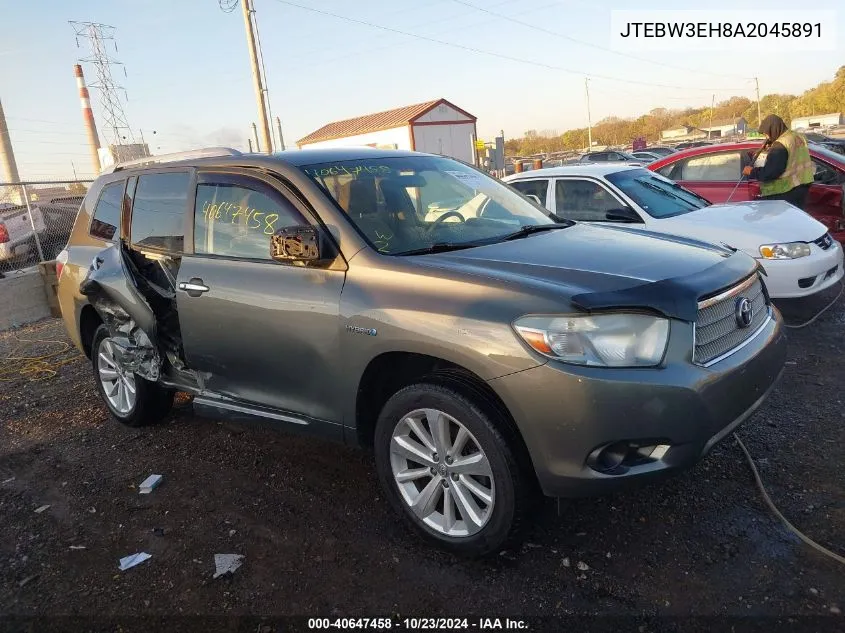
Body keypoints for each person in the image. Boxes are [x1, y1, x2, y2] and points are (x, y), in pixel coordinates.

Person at [741, 114, 815, 210]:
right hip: (802, 185)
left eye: (767, 133)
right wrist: (773, 144)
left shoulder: (780, 145)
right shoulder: (797, 136)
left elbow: (770, 172)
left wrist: (751, 172)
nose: (766, 137)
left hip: (785, 191)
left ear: (773, 129)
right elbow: (791, 155)